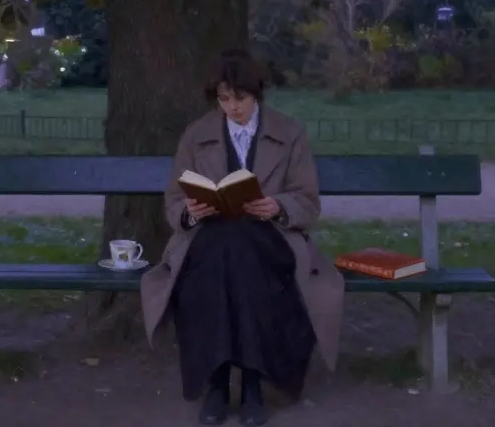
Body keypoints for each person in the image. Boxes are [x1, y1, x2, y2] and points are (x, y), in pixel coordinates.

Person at [140, 48, 343, 427]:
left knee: (242, 254)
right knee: (221, 257)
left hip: (271, 240)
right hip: (207, 238)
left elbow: (307, 201)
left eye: (241, 98)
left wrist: (277, 207)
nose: (232, 107)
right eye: (224, 98)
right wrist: (190, 211)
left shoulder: (289, 133)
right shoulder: (196, 134)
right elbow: (174, 200)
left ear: (258, 94)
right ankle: (222, 384)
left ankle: (245, 384)